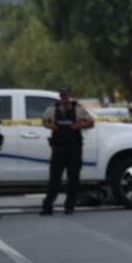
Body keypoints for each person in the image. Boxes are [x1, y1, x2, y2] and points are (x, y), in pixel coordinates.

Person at [40, 86, 94, 216]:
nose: (64, 97)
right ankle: (48, 206)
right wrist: (50, 125)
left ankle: (70, 205)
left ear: (70, 95)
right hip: (58, 147)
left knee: (73, 178)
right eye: (63, 95)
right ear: (60, 96)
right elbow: (44, 121)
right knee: (54, 178)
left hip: (73, 147)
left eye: (67, 95)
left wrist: (80, 125)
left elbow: (91, 122)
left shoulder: (78, 108)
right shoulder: (53, 108)